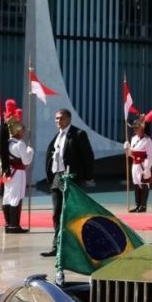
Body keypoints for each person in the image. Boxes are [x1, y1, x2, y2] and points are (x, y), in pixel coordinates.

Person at [42, 108, 94, 256]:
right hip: (57, 178)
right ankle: (56, 246)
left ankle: (75, 247)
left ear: (69, 119)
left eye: (62, 118)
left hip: (72, 178)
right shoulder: (57, 136)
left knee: (71, 213)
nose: (59, 121)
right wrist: (51, 177)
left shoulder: (78, 134)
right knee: (57, 213)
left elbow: (87, 155)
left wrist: (88, 176)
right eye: (57, 118)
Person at [0, 100, 33, 234]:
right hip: (17, 172)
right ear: (18, 131)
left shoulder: (5, 143)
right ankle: (15, 225)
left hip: (8, 172)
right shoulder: (19, 144)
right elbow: (26, 161)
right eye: (22, 130)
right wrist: (30, 151)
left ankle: (8, 224)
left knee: (7, 197)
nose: (23, 132)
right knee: (16, 197)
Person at [125, 107, 152, 213]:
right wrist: (127, 148)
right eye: (134, 128)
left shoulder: (147, 140)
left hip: (142, 164)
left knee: (144, 184)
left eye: (137, 128)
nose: (135, 130)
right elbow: (130, 154)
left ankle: (143, 206)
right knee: (136, 184)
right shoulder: (133, 139)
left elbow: (150, 156)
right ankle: (137, 204)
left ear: (142, 128)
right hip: (135, 164)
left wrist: (147, 168)